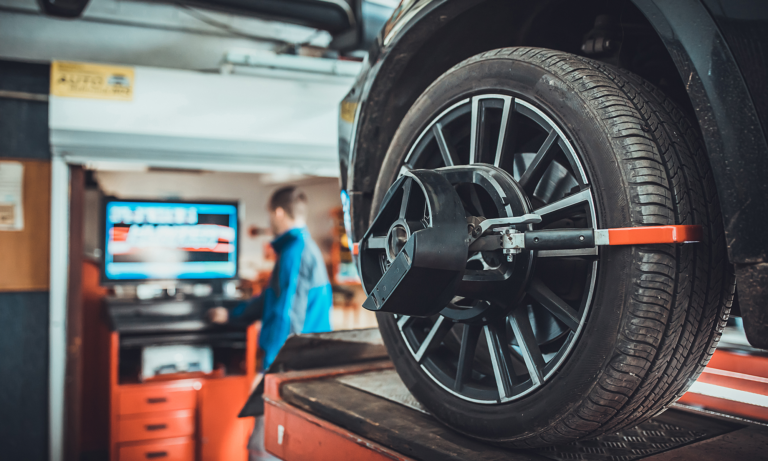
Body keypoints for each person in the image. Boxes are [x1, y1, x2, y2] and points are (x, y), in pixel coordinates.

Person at [208, 185, 333, 370]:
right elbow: (272, 298)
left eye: (270, 214)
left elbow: (288, 314)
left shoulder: (295, 253)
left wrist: (271, 367)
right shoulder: (301, 248)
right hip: (305, 357)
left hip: (297, 362)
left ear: (279, 213)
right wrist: (232, 314)